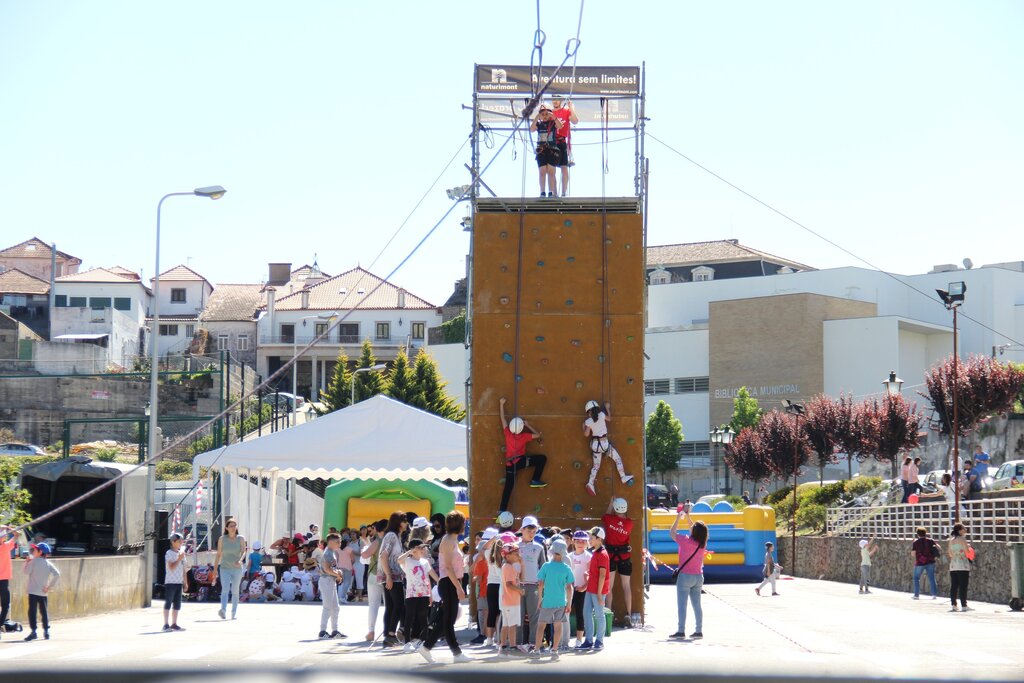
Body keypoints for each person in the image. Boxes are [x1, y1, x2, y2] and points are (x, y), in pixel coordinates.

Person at [418, 510, 471, 664]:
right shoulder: (448, 540)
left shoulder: (451, 540)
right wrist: (459, 588)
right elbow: (447, 568)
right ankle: (456, 653)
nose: (465, 524)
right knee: (449, 619)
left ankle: (427, 647)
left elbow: (451, 565)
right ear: (459, 525)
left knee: (447, 619)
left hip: (451, 582)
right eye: (464, 522)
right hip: (448, 583)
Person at [498, 397, 548, 512]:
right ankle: (535, 479)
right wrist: (528, 425)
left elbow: (502, 418)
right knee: (542, 459)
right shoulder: (524, 436)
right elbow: (538, 435)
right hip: (520, 462)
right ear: (521, 428)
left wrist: (501, 404)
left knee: (508, 488)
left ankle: (502, 510)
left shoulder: (508, 434)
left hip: (509, 465)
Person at [670, 504, 707, 640]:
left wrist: (679, 518)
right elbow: (695, 529)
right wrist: (688, 517)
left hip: (685, 576)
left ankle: (681, 630)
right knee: (697, 605)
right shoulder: (702, 543)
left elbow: (672, 533)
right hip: (699, 577)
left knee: (682, 604)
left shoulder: (685, 541)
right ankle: (699, 630)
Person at [533, 537, 574, 659]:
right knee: (558, 626)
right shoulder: (566, 568)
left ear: (552, 551)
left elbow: (540, 584)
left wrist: (540, 599)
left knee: (541, 626)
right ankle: (555, 649)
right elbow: (569, 587)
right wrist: (569, 603)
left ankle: (536, 649)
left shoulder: (546, 566)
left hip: (547, 601)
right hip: (561, 602)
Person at [583, 400, 635, 496]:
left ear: (589, 411)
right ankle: (623, 476)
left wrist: (584, 426)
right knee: (617, 459)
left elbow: (586, 434)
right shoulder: (602, 415)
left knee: (596, 466)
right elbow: (610, 419)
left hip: (595, 445)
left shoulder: (588, 421)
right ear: (597, 409)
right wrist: (607, 407)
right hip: (604, 443)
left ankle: (590, 483)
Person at [600, 496, 634, 623]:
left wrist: (610, 504)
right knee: (626, 586)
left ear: (615, 508)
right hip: (624, 556)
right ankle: (628, 614)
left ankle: (609, 613)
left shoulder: (609, 519)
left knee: (609, 587)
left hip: (611, 556)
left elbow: (605, 516)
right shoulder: (630, 523)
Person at [399, 539, 437, 651]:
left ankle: (424, 641)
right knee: (409, 617)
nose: (423, 549)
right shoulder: (408, 561)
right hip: (411, 594)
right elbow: (399, 560)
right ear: (414, 549)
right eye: (421, 547)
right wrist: (410, 551)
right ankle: (407, 642)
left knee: (423, 618)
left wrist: (430, 593)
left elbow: (429, 576)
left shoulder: (425, 562)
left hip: (424, 594)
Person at [378, 511, 409, 647]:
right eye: (404, 520)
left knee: (391, 606)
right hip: (392, 576)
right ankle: (390, 634)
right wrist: (389, 576)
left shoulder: (395, 536)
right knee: (398, 605)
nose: (406, 523)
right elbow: (384, 555)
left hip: (392, 576)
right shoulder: (391, 536)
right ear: (398, 522)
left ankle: (388, 636)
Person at [578, 526, 610, 651]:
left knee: (599, 615)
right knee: (586, 613)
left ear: (599, 539)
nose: (589, 540)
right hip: (591, 589)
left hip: (598, 591)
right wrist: (585, 586)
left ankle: (599, 640)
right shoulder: (595, 553)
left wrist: (598, 594)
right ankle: (589, 640)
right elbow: (594, 574)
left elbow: (602, 575)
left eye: (591, 538)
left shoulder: (602, 554)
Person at [517, 515, 546, 648]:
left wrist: (542, 584)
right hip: (518, 586)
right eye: (529, 530)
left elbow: (543, 566)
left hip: (534, 585)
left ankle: (533, 643)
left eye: (534, 531)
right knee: (519, 616)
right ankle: (517, 642)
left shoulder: (539, 547)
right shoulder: (514, 546)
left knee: (535, 616)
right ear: (522, 529)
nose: (531, 533)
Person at [23, 542, 59, 641]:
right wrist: (49, 587)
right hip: (43, 592)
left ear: (40, 552)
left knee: (32, 612)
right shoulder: (48, 563)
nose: (33, 551)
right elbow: (57, 574)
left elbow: (26, 572)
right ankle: (46, 632)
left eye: (35, 550)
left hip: (33, 591)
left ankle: (33, 631)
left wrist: (27, 562)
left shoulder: (33, 562)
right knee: (44, 611)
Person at [212, 518, 247, 620]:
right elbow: (218, 554)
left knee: (235, 590)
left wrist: (240, 560)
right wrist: (214, 570)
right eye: (231, 526)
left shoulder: (240, 538)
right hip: (224, 568)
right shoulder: (222, 539)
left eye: (235, 525)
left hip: (237, 568)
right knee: (225, 589)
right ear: (226, 528)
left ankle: (234, 612)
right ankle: (223, 610)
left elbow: (244, 551)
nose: (233, 528)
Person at [361, 519, 387, 641]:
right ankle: (389, 630)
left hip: (374, 574)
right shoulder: (392, 541)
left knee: (373, 604)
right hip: (388, 575)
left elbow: (365, 554)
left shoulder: (378, 541)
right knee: (389, 605)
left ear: (377, 530)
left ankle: (371, 631)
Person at [530, 103, 563, 197]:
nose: (544, 117)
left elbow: (560, 126)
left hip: (552, 149)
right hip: (541, 150)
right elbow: (532, 129)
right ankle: (542, 192)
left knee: (551, 172)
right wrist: (537, 117)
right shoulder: (539, 124)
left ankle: (551, 192)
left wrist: (552, 116)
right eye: (542, 115)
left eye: (546, 114)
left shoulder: (552, 123)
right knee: (542, 171)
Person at [317, 533, 346, 639]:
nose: (340, 543)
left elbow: (330, 568)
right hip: (326, 581)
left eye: (340, 541)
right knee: (328, 607)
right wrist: (337, 574)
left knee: (335, 607)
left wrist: (337, 573)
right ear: (330, 542)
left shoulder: (332, 552)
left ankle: (335, 630)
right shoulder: (328, 553)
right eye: (338, 542)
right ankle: (322, 631)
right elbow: (326, 568)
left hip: (330, 580)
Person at [496, 541, 523, 655]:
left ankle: (503, 645)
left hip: (507, 601)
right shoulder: (508, 567)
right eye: (515, 553)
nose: (518, 555)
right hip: (512, 601)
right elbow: (509, 584)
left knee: (506, 624)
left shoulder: (507, 566)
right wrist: (519, 590)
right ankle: (512, 645)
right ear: (507, 555)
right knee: (512, 625)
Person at [550, 94, 578, 197]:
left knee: (564, 168)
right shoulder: (550, 113)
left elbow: (575, 121)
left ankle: (564, 192)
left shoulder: (566, 111)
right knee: (552, 169)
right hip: (552, 142)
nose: (555, 101)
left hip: (562, 142)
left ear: (561, 100)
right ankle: (554, 192)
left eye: (557, 99)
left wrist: (571, 108)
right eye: (553, 99)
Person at [568, 530, 592, 648]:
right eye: (578, 541)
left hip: (582, 590)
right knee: (565, 613)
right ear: (573, 542)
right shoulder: (569, 556)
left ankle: (578, 640)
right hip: (570, 589)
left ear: (587, 543)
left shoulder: (588, 556)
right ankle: (564, 639)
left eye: (583, 541)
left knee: (580, 614)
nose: (580, 543)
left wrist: (584, 587)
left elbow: (590, 574)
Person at [162, 533, 187, 633]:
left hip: (178, 582)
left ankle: (174, 623)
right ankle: (165, 624)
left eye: (182, 541)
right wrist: (179, 558)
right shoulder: (169, 553)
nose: (181, 543)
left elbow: (184, 568)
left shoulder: (181, 553)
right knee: (168, 602)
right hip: (170, 582)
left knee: (177, 604)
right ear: (173, 541)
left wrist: (185, 582)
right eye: (180, 541)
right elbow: (171, 567)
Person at [947, 523, 973, 612]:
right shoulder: (962, 539)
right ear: (960, 530)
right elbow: (967, 551)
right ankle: (964, 605)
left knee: (954, 586)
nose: (965, 530)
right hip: (962, 564)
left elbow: (950, 554)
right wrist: (969, 547)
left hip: (953, 565)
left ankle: (954, 604)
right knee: (963, 586)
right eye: (964, 528)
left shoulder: (951, 540)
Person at [482, 528, 502, 647]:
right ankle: (499, 637)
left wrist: (493, 539)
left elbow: (483, 547)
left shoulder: (487, 553)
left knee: (492, 612)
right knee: (502, 612)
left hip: (491, 584)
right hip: (502, 584)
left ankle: (489, 638)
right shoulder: (503, 552)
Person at [911, 526, 939, 600]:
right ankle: (934, 595)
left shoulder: (916, 542)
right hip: (930, 562)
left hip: (920, 563)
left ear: (918, 534)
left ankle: (916, 595)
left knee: (916, 578)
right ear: (925, 533)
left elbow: (913, 554)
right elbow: (938, 548)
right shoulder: (930, 540)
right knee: (931, 578)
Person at [470, 539, 490, 645]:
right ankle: (490, 636)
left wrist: (474, 577)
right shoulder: (493, 561)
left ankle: (483, 635)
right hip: (492, 590)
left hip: (483, 591)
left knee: (483, 614)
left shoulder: (481, 563)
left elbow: (477, 577)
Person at [0, 525, 18, 638]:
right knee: (6, 604)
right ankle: (0, 624)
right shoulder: (6, 547)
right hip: (3, 580)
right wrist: (10, 528)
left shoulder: (6, 546)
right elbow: (17, 535)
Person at [336, 535, 357, 604]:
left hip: (340, 567)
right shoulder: (349, 549)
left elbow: (337, 559)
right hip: (348, 568)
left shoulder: (338, 549)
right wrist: (350, 564)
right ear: (348, 542)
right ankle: (342, 597)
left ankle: (341, 597)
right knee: (347, 583)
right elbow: (353, 560)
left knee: (341, 583)